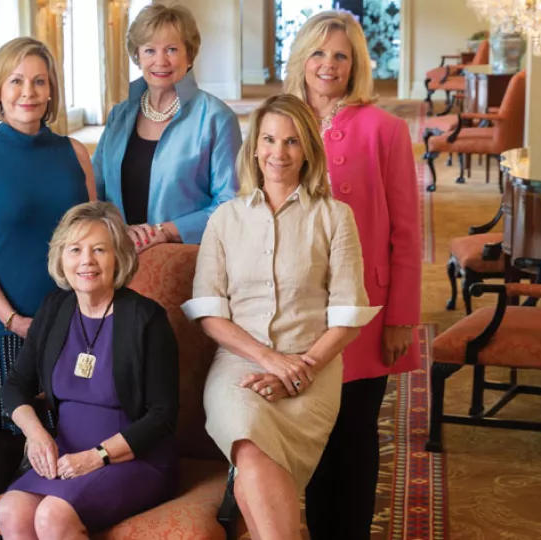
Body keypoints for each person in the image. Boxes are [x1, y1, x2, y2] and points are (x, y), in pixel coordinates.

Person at [182, 94, 380, 540]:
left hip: (316, 365)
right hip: (239, 366)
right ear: (254, 147)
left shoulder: (335, 217)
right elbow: (210, 315)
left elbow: (347, 315)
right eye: (269, 139)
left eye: (292, 142)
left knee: (257, 469)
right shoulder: (224, 220)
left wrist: (300, 370)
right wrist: (271, 362)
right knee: (249, 444)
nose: (279, 153)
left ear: (308, 149)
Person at [283, 11, 422, 539]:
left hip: (364, 307)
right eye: (318, 53)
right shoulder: (280, 124)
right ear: (302, 58)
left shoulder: (384, 129)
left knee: (356, 432)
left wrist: (401, 317)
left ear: (356, 63)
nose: (328, 64)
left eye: (341, 55)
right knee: (311, 432)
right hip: (298, 307)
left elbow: (406, 231)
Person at [0, 36, 94, 497]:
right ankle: (2, 523)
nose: (27, 92)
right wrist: (15, 321)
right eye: (16, 81)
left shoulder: (76, 153)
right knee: (11, 437)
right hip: (3, 325)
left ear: (52, 90)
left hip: (75, 322)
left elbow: (93, 241)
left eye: (38, 81)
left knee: (75, 430)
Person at [0, 201, 179, 538]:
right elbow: (15, 384)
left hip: (133, 457)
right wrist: (36, 435)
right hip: (65, 456)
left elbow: (162, 414)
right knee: (11, 511)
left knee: (52, 516)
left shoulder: (146, 319)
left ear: (118, 257)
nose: (86, 261)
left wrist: (98, 456)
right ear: (61, 257)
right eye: (75, 249)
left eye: (99, 250)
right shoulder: (54, 308)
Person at [92, 3, 240, 252]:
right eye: (150, 50)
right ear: (137, 56)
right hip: (118, 254)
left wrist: (165, 232)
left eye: (171, 49)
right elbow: (95, 188)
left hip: (184, 257)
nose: (160, 60)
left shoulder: (217, 118)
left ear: (189, 55)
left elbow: (230, 203)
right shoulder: (120, 115)